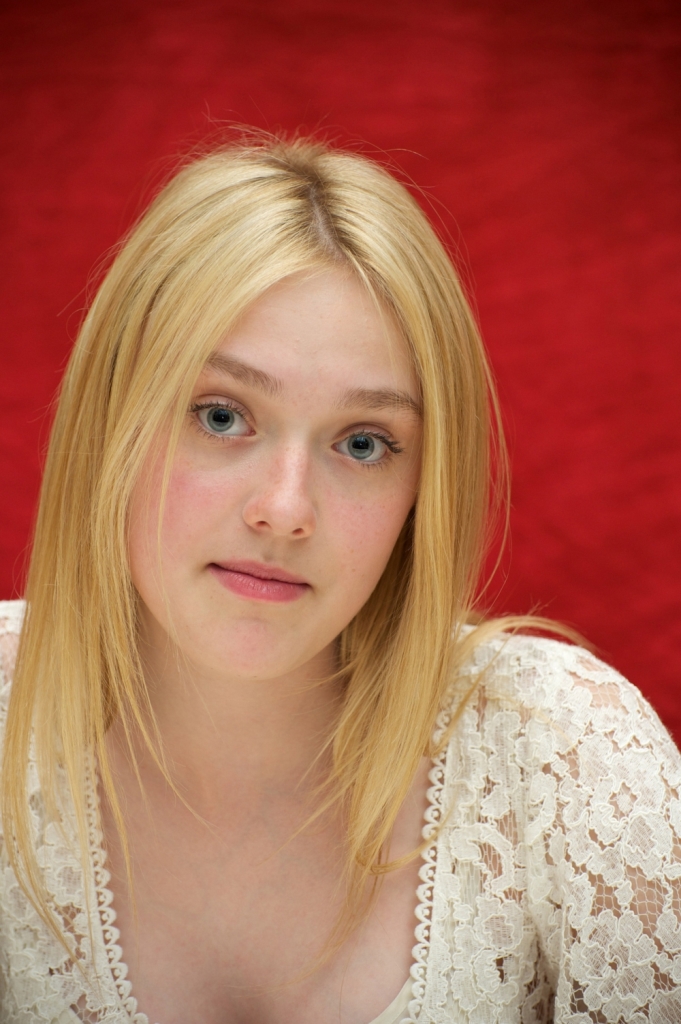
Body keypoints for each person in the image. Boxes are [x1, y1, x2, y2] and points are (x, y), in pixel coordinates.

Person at [0, 136, 679, 1024]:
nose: (285, 510)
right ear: (108, 424)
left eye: (362, 443)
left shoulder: (569, 759)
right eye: (221, 415)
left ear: (421, 488)